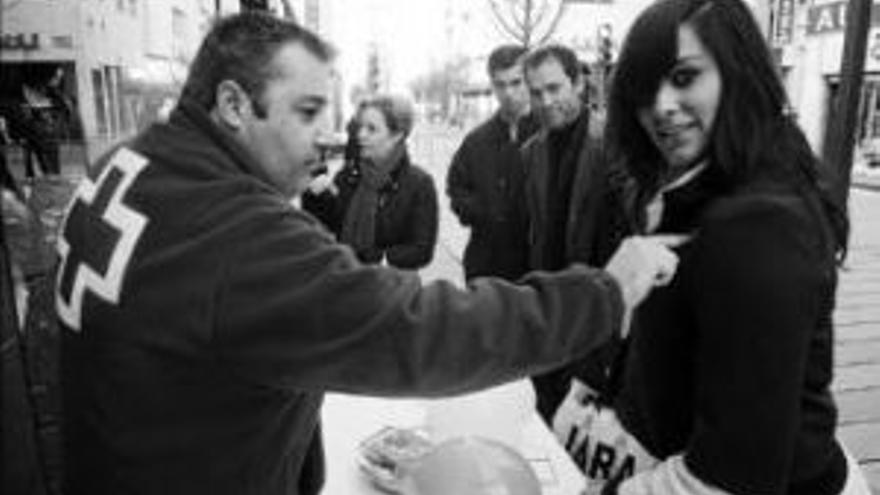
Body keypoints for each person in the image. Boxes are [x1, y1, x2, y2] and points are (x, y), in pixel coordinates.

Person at [55, 12, 681, 495]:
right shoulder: (236, 233)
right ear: (233, 104)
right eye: (305, 113)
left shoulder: (127, 167)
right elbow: (422, 330)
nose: (330, 136)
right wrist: (604, 292)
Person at [553, 0, 870, 493]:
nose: (659, 105)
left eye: (683, 77)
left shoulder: (758, 224)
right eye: (643, 89)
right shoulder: (692, 186)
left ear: (737, 72)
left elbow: (733, 475)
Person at [521, 44, 630, 423]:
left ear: (579, 84)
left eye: (554, 88)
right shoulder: (531, 153)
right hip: (547, 310)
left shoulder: (612, 147)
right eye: (536, 93)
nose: (545, 101)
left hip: (594, 319)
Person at [302, 94, 438, 269]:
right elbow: (332, 224)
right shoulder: (349, 174)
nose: (360, 135)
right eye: (361, 127)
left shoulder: (419, 184)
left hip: (392, 289)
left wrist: (379, 258)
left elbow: (421, 250)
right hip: (345, 282)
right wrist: (315, 197)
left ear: (397, 135)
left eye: (371, 129)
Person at [446, 44, 540, 281]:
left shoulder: (548, 134)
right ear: (492, 85)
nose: (508, 93)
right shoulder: (476, 140)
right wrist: (482, 213)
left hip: (535, 268)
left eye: (516, 82)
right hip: (485, 266)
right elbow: (456, 187)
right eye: (500, 85)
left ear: (529, 80)